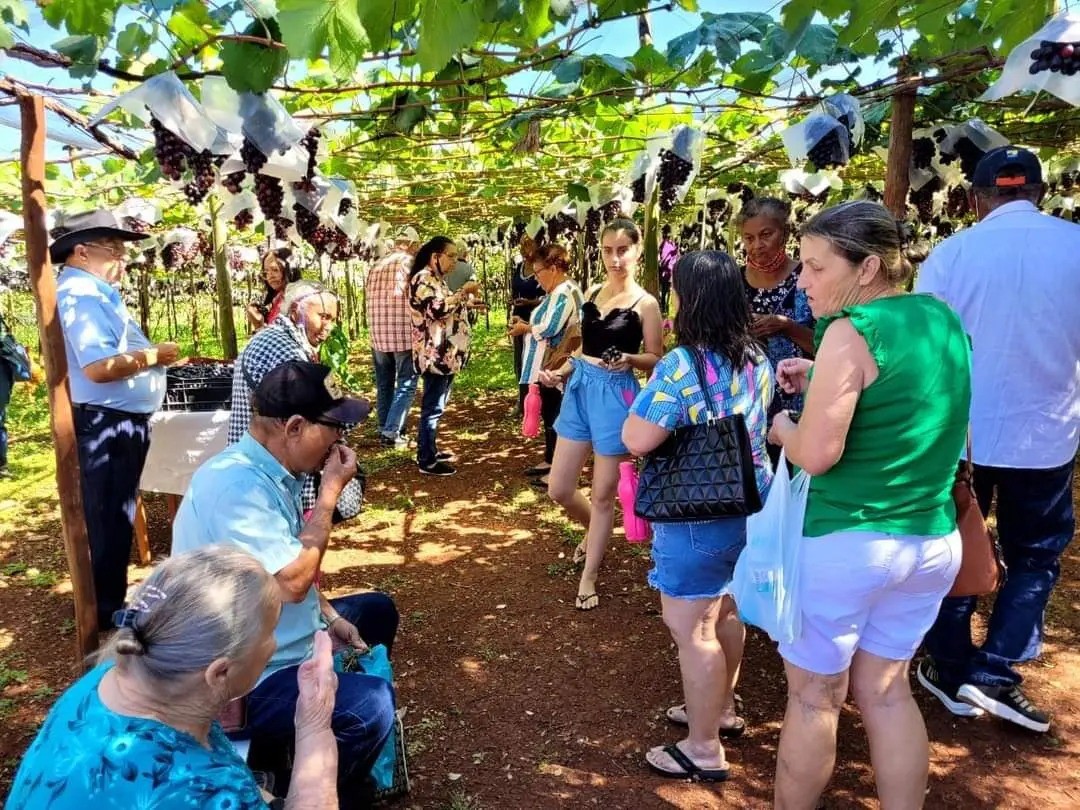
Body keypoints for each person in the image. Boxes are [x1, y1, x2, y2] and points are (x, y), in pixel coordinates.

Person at [766, 201, 971, 810]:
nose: (802, 281)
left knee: (813, 699)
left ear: (868, 266)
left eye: (814, 267)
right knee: (887, 693)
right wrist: (824, 376)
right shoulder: (941, 318)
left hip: (848, 542)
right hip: (930, 541)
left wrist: (782, 427)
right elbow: (906, 398)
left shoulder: (851, 332)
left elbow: (817, 454)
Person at [172, 361, 399, 805]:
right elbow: (294, 580)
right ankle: (318, 787)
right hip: (243, 675)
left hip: (273, 632)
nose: (340, 440)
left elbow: (289, 567)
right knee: (370, 706)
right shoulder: (237, 486)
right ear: (294, 427)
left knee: (376, 610)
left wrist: (329, 616)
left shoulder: (275, 472)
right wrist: (331, 490)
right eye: (333, 427)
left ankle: (289, 751)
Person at [916, 146, 1080, 733]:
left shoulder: (952, 254)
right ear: (1038, 190)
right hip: (1046, 435)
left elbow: (928, 352)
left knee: (954, 541)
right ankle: (997, 667)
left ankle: (950, 660)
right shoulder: (1076, 245)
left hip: (961, 435)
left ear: (976, 197)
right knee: (1035, 554)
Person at [6, 547, 340, 809]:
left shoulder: (110, 678)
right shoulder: (204, 789)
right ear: (219, 672)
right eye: (271, 631)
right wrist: (314, 725)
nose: (275, 643)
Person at [622, 250, 773, 782]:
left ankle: (703, 747)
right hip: (751, 504)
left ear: (690, 301)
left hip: (697, 511)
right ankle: (720, 708)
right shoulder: (757, 356)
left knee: (693, 628)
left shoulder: (682, 365)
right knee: (726, 613)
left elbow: (637, 437)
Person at [51, 209, 181, 631]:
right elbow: (98, 367)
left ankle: (108, 603)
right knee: (107, 517)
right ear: (82, 252)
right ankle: (104, 613)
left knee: (116, 512)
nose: (122, 258)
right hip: (106, 424)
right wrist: (154, 356)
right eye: (114, 250)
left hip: (116, 420)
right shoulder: (80, 295)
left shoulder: (94, 291)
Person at [542, 218, 663, 610]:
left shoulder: (646, 303)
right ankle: (592, 533)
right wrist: (560, 371)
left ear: (637, 251)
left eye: (623, 249)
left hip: (617, 396)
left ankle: (589, 575)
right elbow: (582, 349)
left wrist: (629, 358)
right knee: (559, 488)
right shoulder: (593, 290)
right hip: (580, 389)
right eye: (608, 249)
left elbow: (655, 358)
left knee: (603, 494)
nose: (615, 258)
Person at [229, 280, 346, 515]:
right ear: (295, 311)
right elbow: (325, 405)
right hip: (270, 465)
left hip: (265, 460)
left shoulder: (280, 338)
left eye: (332, 319)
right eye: (323, 316)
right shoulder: (285, 349)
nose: (328, 326)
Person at [738, 197, 816, 465]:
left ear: (784, 232)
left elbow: (828, 346)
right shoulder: (735, 282)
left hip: (802, 404)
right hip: (749, 405)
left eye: (765, 235)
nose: (756, 245)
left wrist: (787, 326)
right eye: (749, 238)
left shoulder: (807, 278)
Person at [508, 243, 584, 488]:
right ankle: (551, 460)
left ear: (553, 268)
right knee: (550, 413)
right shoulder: (557, 291)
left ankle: (560, 470)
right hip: (550, 365)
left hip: (555, 365)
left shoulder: (563, 292)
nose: (536, 279)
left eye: (538, 272)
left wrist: (526, 328)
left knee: (555, 415)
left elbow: (551, 328)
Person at [409, 236, 486, 476]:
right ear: (435, 257)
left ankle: (428, 448)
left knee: (437, 405)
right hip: (435, 356)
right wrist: (464, 291)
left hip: (446, 355)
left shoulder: (436, 280)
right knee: (432, 407)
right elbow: (437, 309)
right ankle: (426, 459)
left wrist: (468, 304)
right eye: (450, 256)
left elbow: (447, 308)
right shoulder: (422, 278)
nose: (454, 261)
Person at [366, 226, 421, 449]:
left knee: (384, 384)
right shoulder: (409, 264)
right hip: (402, 334)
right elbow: (417, 297)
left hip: (379, 334)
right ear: (411, 245)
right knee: (406, 383)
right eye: (417, 247)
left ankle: (385, 426)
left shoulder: (377, 264)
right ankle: (392, 431)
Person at [510, 239, 546, 414]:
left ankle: (538, 402)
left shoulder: (543, 267)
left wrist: (530, 302)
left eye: (528, 244)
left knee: (537, 361)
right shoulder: (519, 268)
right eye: (522, 244)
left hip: (537, 321)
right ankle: (523, 401)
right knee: (520, 361)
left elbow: (548, 297)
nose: (525, 249)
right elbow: (514, 290)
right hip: (519, 318)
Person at [247, 248, 301, 332]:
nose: (270, 276)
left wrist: (258, 326)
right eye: (266, 272)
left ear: (290, 270)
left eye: (275, 270)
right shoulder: (276, 299)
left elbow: (284, 340)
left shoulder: (298, 303)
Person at [658, 225, 679, 315]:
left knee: (666, 290)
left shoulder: (667, 244)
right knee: (665, 290)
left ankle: (665, 307)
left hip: (668, 270)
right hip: (667, 270)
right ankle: (664, 307)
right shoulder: (667, 245)